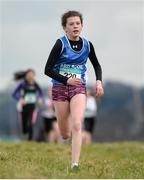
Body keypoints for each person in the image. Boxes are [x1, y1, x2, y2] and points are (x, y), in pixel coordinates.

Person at [44, 10, 104, 169]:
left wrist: (98, 82)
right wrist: (67, 79)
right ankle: (66, 127)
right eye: (71, 24)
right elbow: (47, 69)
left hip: (79, 88)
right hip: (60, 89)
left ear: (82, 26)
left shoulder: (87, 45)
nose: (75, 26)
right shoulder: (60, 44)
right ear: (65, 28)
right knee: (64, 133)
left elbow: (97, 65)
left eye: (78, 23)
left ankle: (75, 164)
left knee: (77, 125)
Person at [12, 69, 43, 140]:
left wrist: (40, 99)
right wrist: (20, 99)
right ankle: (25, 131)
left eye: (32, 75)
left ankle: (30, 139)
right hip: (23, 106)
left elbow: (41, 93)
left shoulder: (36, 84)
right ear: (26, 76)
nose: (30, 76)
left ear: (34, 76)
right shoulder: (22, 84)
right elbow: (13, 94)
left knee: (31, 122)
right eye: (29, 75)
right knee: (24, 126)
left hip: (33, 106)